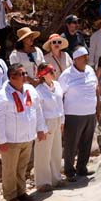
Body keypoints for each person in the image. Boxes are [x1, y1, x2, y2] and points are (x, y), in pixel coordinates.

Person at [0, 63, 47, 201]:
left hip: (28, 137)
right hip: (11, 140)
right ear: (12, 77)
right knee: (10, 168)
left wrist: (41, 128)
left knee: (22, 166)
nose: (25, 76)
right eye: (21, 74)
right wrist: (2, 140)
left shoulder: (30, 90)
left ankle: (21, 191)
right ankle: (11, 196)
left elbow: (37, 109)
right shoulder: (2, 96)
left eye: (25, 73)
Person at [58, 47, 98, 181]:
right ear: (76, 59)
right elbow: (59, 94)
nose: (87, 58)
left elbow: (95, 87)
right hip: (73, 115)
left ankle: (82, 167)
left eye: (87, 56)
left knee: (86, 142)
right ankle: (69, 170)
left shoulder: (90, 70)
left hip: (90, 113)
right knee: (71, 143)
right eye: (84, 56)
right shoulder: (66, 74)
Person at [34, 63, 65, 192]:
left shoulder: (57, 85)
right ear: (43, 75)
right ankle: (43, 182)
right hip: (46, 122)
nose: (54, 73)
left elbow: (60, 103)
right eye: (50, 71)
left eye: (54, 71)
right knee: (43, 152)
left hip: (57, 120)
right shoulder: (39, 90)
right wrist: (42, 128)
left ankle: (56, 178)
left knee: (56, 150)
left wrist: (62, 120)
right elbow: (38, 111)